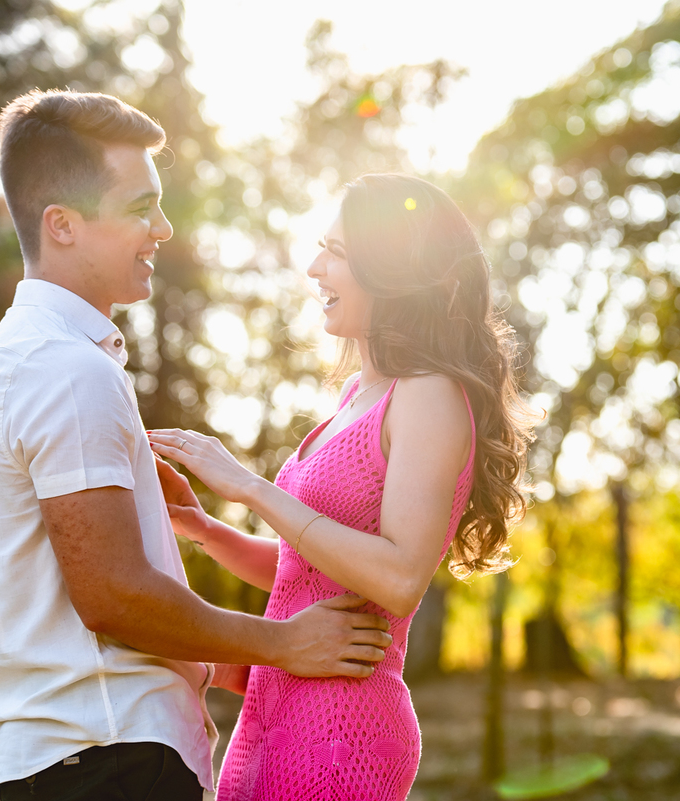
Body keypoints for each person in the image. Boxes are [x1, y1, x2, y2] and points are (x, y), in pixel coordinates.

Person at [0, 90, 391, 801]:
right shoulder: (64, 369)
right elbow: (115, 599)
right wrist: (283, 643)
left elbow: (82, 608)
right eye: (138, 208)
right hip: (110, 763)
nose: (162, 228)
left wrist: (217, 657)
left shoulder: (46, 355)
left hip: (93, 758)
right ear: (61, 226)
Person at [148, 173, 535, 800]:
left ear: (392, 271)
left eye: (337, 252)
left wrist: (250, 488)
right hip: (274, 715)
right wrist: (204, 529)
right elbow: (311, 571)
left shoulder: (429, 395)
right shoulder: (356, 396)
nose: (313, 267)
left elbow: (398, 578)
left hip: (341, 733)